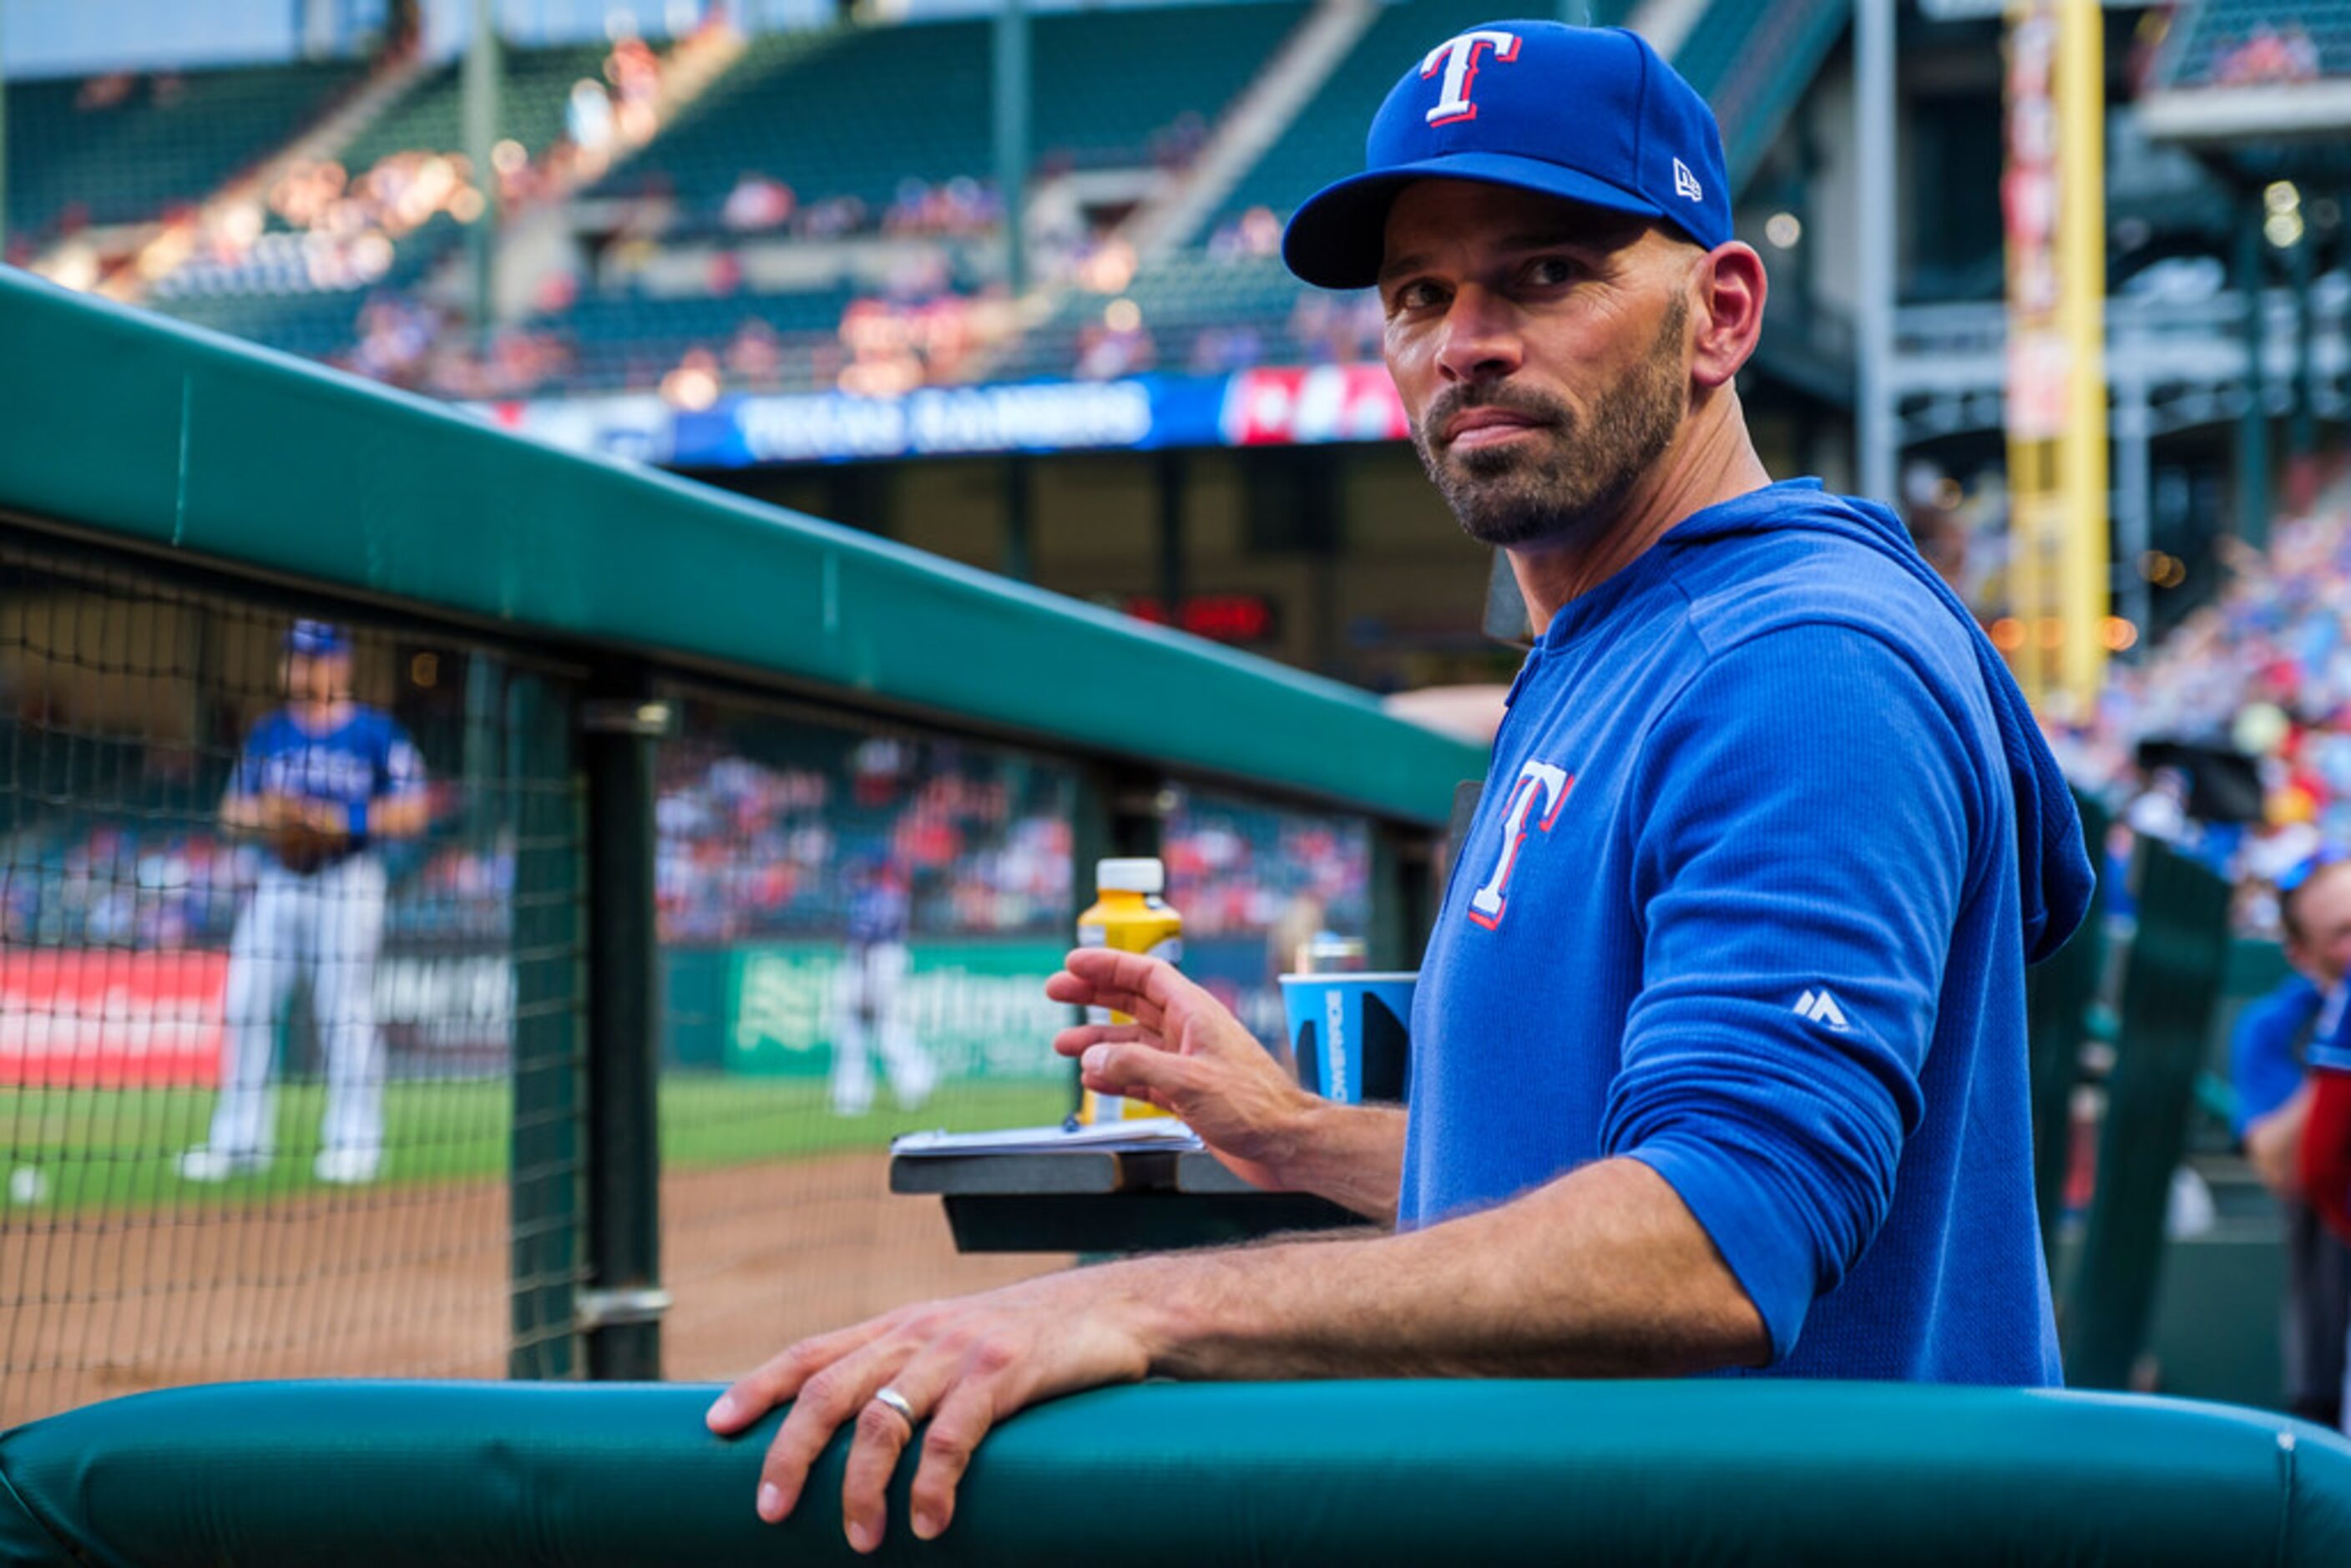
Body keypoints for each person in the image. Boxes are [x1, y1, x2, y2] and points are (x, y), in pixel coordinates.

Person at [705, 22, 2094, 1552]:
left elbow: (1712, 1240)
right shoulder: (1616, 640)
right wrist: (1301, 1135)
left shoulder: (1797, 663)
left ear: (1721, 311)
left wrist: (1145, 1304)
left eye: (1546, 272)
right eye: (1418, 294)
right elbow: (1570, 1180)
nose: (1464, 339)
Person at [179, 621, 429, 1186]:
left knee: (345, 1010)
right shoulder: (271, 732)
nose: (299, 669)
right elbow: (230, 813)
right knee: (246, 1003)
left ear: (341, 664)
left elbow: (415, 810)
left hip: (349, 878)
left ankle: (356, 1141)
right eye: (293, 658)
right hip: (280, 880)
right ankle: (240, 1140)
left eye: (312, 659)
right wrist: (277, 816)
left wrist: (346, 821)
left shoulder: (374, 732)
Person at [2230, 850, 2351, 1426]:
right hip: (2331, 1328)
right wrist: (2338, 1057)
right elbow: (2283, 1168)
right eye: (2343, 934)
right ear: (2301, 955)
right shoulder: (2277, 1025)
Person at [828, 854, 937, 1116]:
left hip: (875, 960)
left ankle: (857, 1096)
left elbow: (864, 936)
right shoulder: (891, 895)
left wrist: (865, 984)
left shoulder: (873, 898)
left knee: (867, 1027)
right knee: (874, 1028)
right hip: (883, 958)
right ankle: (915, 1080)